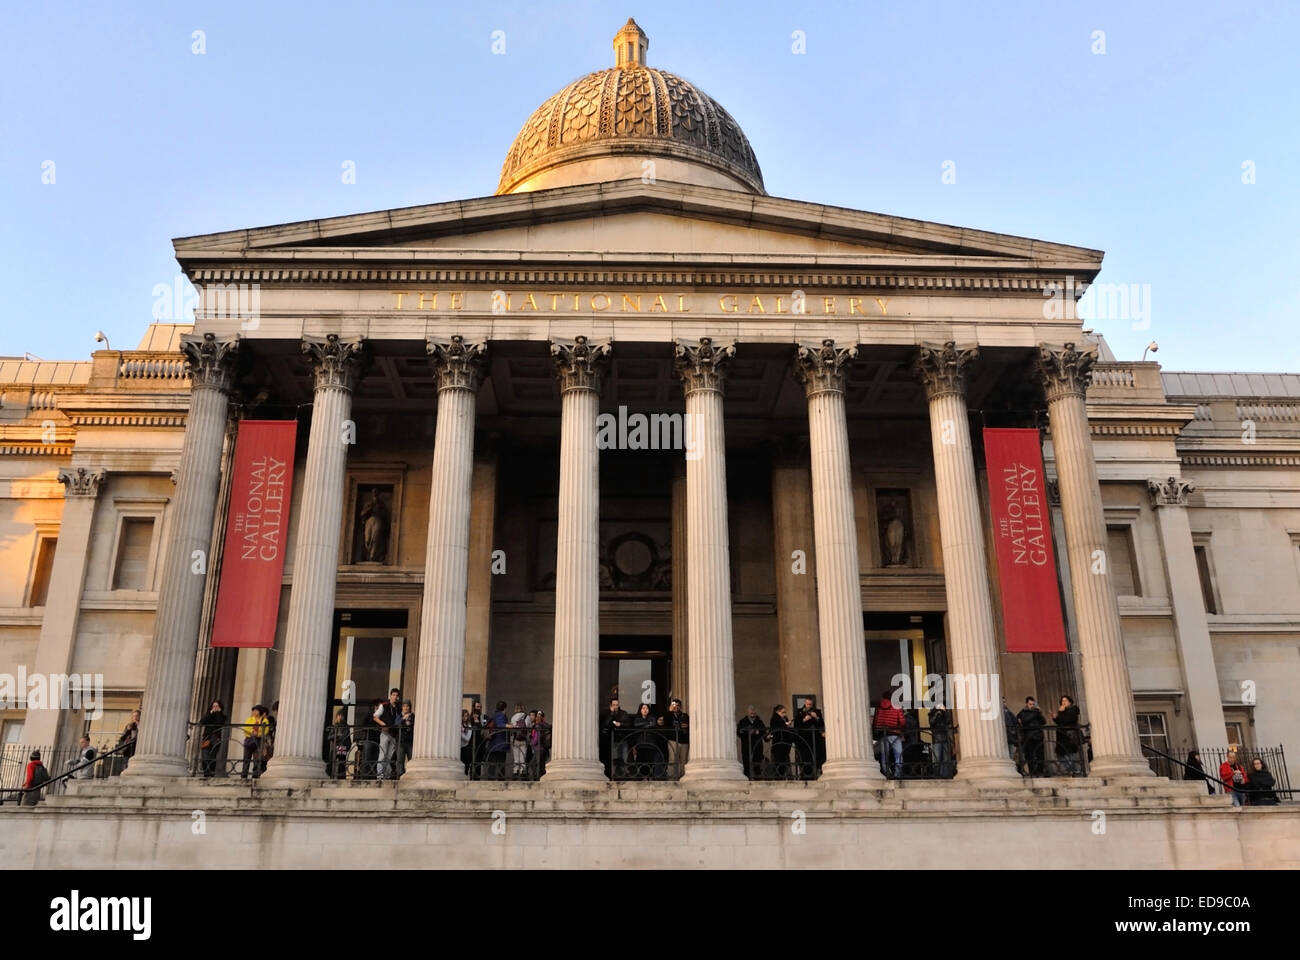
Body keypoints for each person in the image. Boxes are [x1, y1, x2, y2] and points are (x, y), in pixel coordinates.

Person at [872, 690, 906, 778]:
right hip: (895, 733)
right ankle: (897, 774)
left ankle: (887, 773)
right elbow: (902, 722)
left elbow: (875, 722)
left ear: (883, 697)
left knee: (884, 755)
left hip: (883, 734)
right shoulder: (896, 707)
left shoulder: (878, 707)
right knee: (898, 755)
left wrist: (876, 730)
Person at [373, 688, 401, 780]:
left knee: (389, 756)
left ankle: (386, 776)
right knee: (382, 754)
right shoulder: (384, 706)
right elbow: (375, 717)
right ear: (390, 696)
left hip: (393, 734)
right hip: (385, 733)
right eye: (393, 695)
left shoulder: (398, 708)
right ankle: (380, 776)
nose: (395, 697)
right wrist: (383, 724)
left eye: (396, 695)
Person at [1051, 695, 1082, 775]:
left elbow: (1066, 721)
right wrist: (1055, 718)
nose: (1063, 702)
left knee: (1069, 754)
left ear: (1070, 702)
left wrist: (1060, 712)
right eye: (1062, 701)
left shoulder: (1073, 710)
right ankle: (1072, 770)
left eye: (1065, 701)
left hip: (1069, 736)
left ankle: (1075, 770)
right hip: (1062, 736)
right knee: (1060, 755)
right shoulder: (1064, 711)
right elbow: (1060, 722)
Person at [795, 698, 826, 776]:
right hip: (804, 738)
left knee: (817, 755)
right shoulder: (799, 712)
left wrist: (816, 717)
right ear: (805, 703)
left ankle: (817, 772)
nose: (808, 706)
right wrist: (804, 720)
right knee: (805, 756)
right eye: (807, 704)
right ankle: (805, 774)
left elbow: (821, 724)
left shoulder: (817, 711)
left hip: (815, 738)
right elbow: (796, 724)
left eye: (810, 704)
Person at [600, 698, 630, 776]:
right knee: (615, 758)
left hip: (623, 738)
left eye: (617, 704)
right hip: (613, 740)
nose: (615, 706)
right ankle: (615, 775)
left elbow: (628, 724)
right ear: (610, 705)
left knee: (624, 757)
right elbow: (605, 724)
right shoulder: (608, 713)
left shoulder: (623, 713)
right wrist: (611, 714)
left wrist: (621, 724)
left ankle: (623, 774)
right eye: (614, 705)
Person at [1017, 698, 1047, 776]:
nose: (1032, 706)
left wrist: (1039, 713)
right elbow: (1025, 720)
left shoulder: (1036, 712)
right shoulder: (1023, 712)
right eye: (1030, 704)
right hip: (1028, 737)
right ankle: (1032, 772)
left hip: (1038, 736)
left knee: (1040, 755)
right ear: (1026, 704)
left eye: (1033, 704)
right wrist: (1035, 713)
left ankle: (1040, 771)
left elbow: (1044, 721)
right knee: (1030, 755)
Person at [199, 700, 228, 778]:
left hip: (216, 738)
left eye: (217, 706)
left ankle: (211, 773)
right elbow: (202, 722)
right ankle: (206, 773)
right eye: (213, 706)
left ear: (220, 708)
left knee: (212, 756)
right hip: (207, 738)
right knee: (205, 756)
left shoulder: (222, 716)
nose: (215, 708)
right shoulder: (208, 715)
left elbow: (219, 723)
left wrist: (218, 713)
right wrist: (210, 714)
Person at [240, 704, 269, 779]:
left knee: (257, 758)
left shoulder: (264, 720)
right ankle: (244, 774)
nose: (254, 712)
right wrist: (252, 732)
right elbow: (246, 728)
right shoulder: (250, 719)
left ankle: (255, 774)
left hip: (258, 741)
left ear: (260, 711)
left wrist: (258, 734)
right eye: (254, 710)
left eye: (256, 710)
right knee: (246, 757)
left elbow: (265, 731)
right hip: (249, 740)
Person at [737, 705, 766, 779]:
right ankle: (747, 779)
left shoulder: (759, 722)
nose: (753, 715)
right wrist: (748, 733)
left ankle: (758, 780)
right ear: (748, 713)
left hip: (757, 746)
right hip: (747, 746)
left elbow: (764, 732)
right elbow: (739, 733)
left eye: (754, 714)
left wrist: (758, 732)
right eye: (751, 714)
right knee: (747, 764)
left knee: (757, 764)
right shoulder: (743, 721)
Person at [485, 700, 511, 779]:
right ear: (504, 708)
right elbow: (500, 725)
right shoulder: (501, 715)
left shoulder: (494, 714)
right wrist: (508, 725)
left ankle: (491, 777)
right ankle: (499, 778)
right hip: (500, 743)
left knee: (493, 762)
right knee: (500, 762)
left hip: (494, 743)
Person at [768, 704, 796, 778]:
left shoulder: (785, 718)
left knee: (785, 760)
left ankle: (785, 775)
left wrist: (787, 724)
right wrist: (785, 724)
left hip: (785, 743)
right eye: (783, 712)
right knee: (778, 761)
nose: (784, 714)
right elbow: (775, 728)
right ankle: (779, 776)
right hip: (778, 743)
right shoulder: (774, 719)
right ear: (777, 712)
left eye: (785, 712)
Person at [665, 698, 689, 777]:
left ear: (680, 707)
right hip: (673, 740)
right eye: (674, 705)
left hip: (684, 741)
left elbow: (687, 726)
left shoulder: (684, 715)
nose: (676, 707)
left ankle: (682, 778)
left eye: (678, 705)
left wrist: (685, 726)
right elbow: (665, 722)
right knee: (672, 760)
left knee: (683, 761)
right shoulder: (669, 715)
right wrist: (670, 711)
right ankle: (671, 779)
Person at [929, 702, 953, 778]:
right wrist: (937, 714)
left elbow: (948, 722)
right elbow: (931, 722)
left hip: (945, 738)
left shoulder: (945, 715)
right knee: (937, 759)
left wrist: (945, 713)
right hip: (937, 739)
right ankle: (937, 775)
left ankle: (945, 776)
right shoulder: (932, 714)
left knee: (946, 759)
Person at [327, 709, 352, 779]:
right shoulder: (334, 726)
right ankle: (330, 776)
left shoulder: (346, 726)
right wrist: (336, 736)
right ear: (337, 716)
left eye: (341, 715)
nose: (340, 717)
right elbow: (329, 737)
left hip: (342, 746)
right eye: (339, 715)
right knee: (331, 761)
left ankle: (341, 777)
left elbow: (344, 736)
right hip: (335, 746)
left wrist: (337, 737)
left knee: (341, 762)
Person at [529, 710, 552, 779]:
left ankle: (537, 778)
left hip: (538, 748)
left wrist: (532, 743)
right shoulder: (546, 724)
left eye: (539, 716)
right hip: (544, 749)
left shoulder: (538, 725)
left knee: (533, 764)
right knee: (541, 765)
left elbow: (537, 737)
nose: (538, 718)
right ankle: (542, 778)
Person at [510, 702, 529, 777]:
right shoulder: (526, 717)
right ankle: (522, 771)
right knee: (523, 755)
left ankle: (515, 770)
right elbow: (528, 726)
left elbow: (512, 726)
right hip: (523, 738)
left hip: (515, 739)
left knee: (516, 756)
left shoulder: (513, 717)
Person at [1002, 698, 1020, 768]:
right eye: (1002, 702)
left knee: (1012, 754)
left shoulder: (1008, 712)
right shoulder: (1002, 712)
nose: (1004, 703)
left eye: (1004, 702)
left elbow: (1015, 721)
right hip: (1003, 737)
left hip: (1010, 737)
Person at [398, 700, 415, 774]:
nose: (406, 708)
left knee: (411, 760)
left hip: (410, 741)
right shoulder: (399, 716)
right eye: (404, 706)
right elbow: (395, 724)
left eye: (407, 706)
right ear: (402, 707)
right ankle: (400, 776)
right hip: (401, 741)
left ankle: (411, 775)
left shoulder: (413, 716)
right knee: (400, 760)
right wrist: (403, 718)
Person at [460, 709, 475, 775]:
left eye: (466, 716)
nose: (464, 718)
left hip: (466, 748)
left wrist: (460, 734)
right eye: (463, 716)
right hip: (458, 749)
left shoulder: (469, 726)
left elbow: (467, 738)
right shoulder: (457, 725)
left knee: (466, 767)